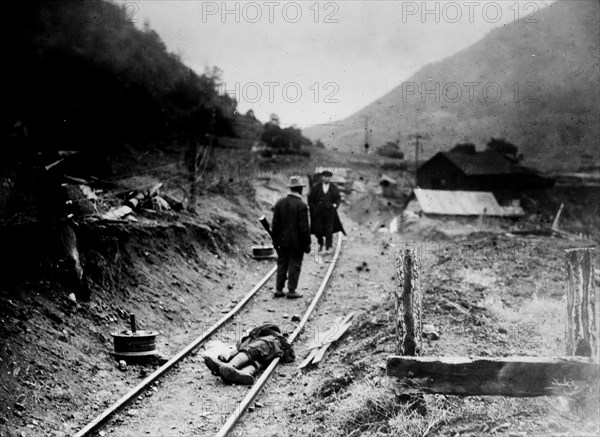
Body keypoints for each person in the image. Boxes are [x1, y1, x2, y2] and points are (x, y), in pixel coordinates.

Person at [204, 324, 295, 385]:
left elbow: (246, 349)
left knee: (253, 350)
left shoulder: (266, 335)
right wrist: (228, 356)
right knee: (257, 362)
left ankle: (230, 366)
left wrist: (229, 358)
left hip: (271, 343)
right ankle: (244, 373)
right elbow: (242, 350)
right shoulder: (253, 340)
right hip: (271, 353)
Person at [271, 175, 311, 299]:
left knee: (282, 263)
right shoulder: (302, 206)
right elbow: (304, 228)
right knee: (295, 264)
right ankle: (291, 290)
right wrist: (307, 244)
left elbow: (275, 224)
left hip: (281, 241)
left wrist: (275, 240)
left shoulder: (279, 203)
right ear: (300, 189)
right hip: (296, 243)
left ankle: (278, 289)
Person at [308, 169, 344, 253]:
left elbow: (338, 198)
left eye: (328, 177)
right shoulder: (316, 187)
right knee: (318, 230)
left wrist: (335, 205)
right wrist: (313, 208)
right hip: (318, 212)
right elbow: (310, 198)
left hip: (329, 212)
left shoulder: (333, 188)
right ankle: (320, 243)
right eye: (325, 176)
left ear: (330, 178)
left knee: (329, 229)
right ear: (322, 177)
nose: (326, 178)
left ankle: (329, 247)